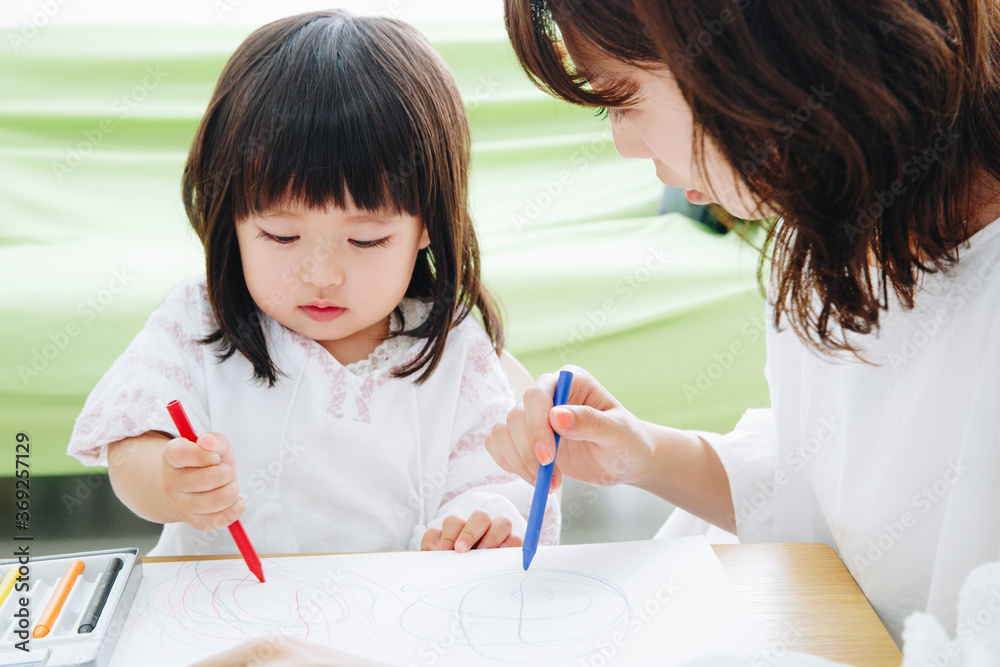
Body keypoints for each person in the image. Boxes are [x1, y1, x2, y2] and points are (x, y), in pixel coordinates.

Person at [485, 0, 1000, 658]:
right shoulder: (821, 235)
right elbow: (816, 486)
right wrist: (645, 453)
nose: (624, 143)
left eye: (623, 98)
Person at [66, 10, 559, 558]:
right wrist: (168, 479)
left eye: (366, 240)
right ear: (231, 216)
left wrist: (474, 524)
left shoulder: (454, 349)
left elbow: (495, 485)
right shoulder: (197, 322)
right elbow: (132, 440)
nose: (321, 275)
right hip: (222, 605)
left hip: (386, 611)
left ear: (427, 224)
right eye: (281, 236)